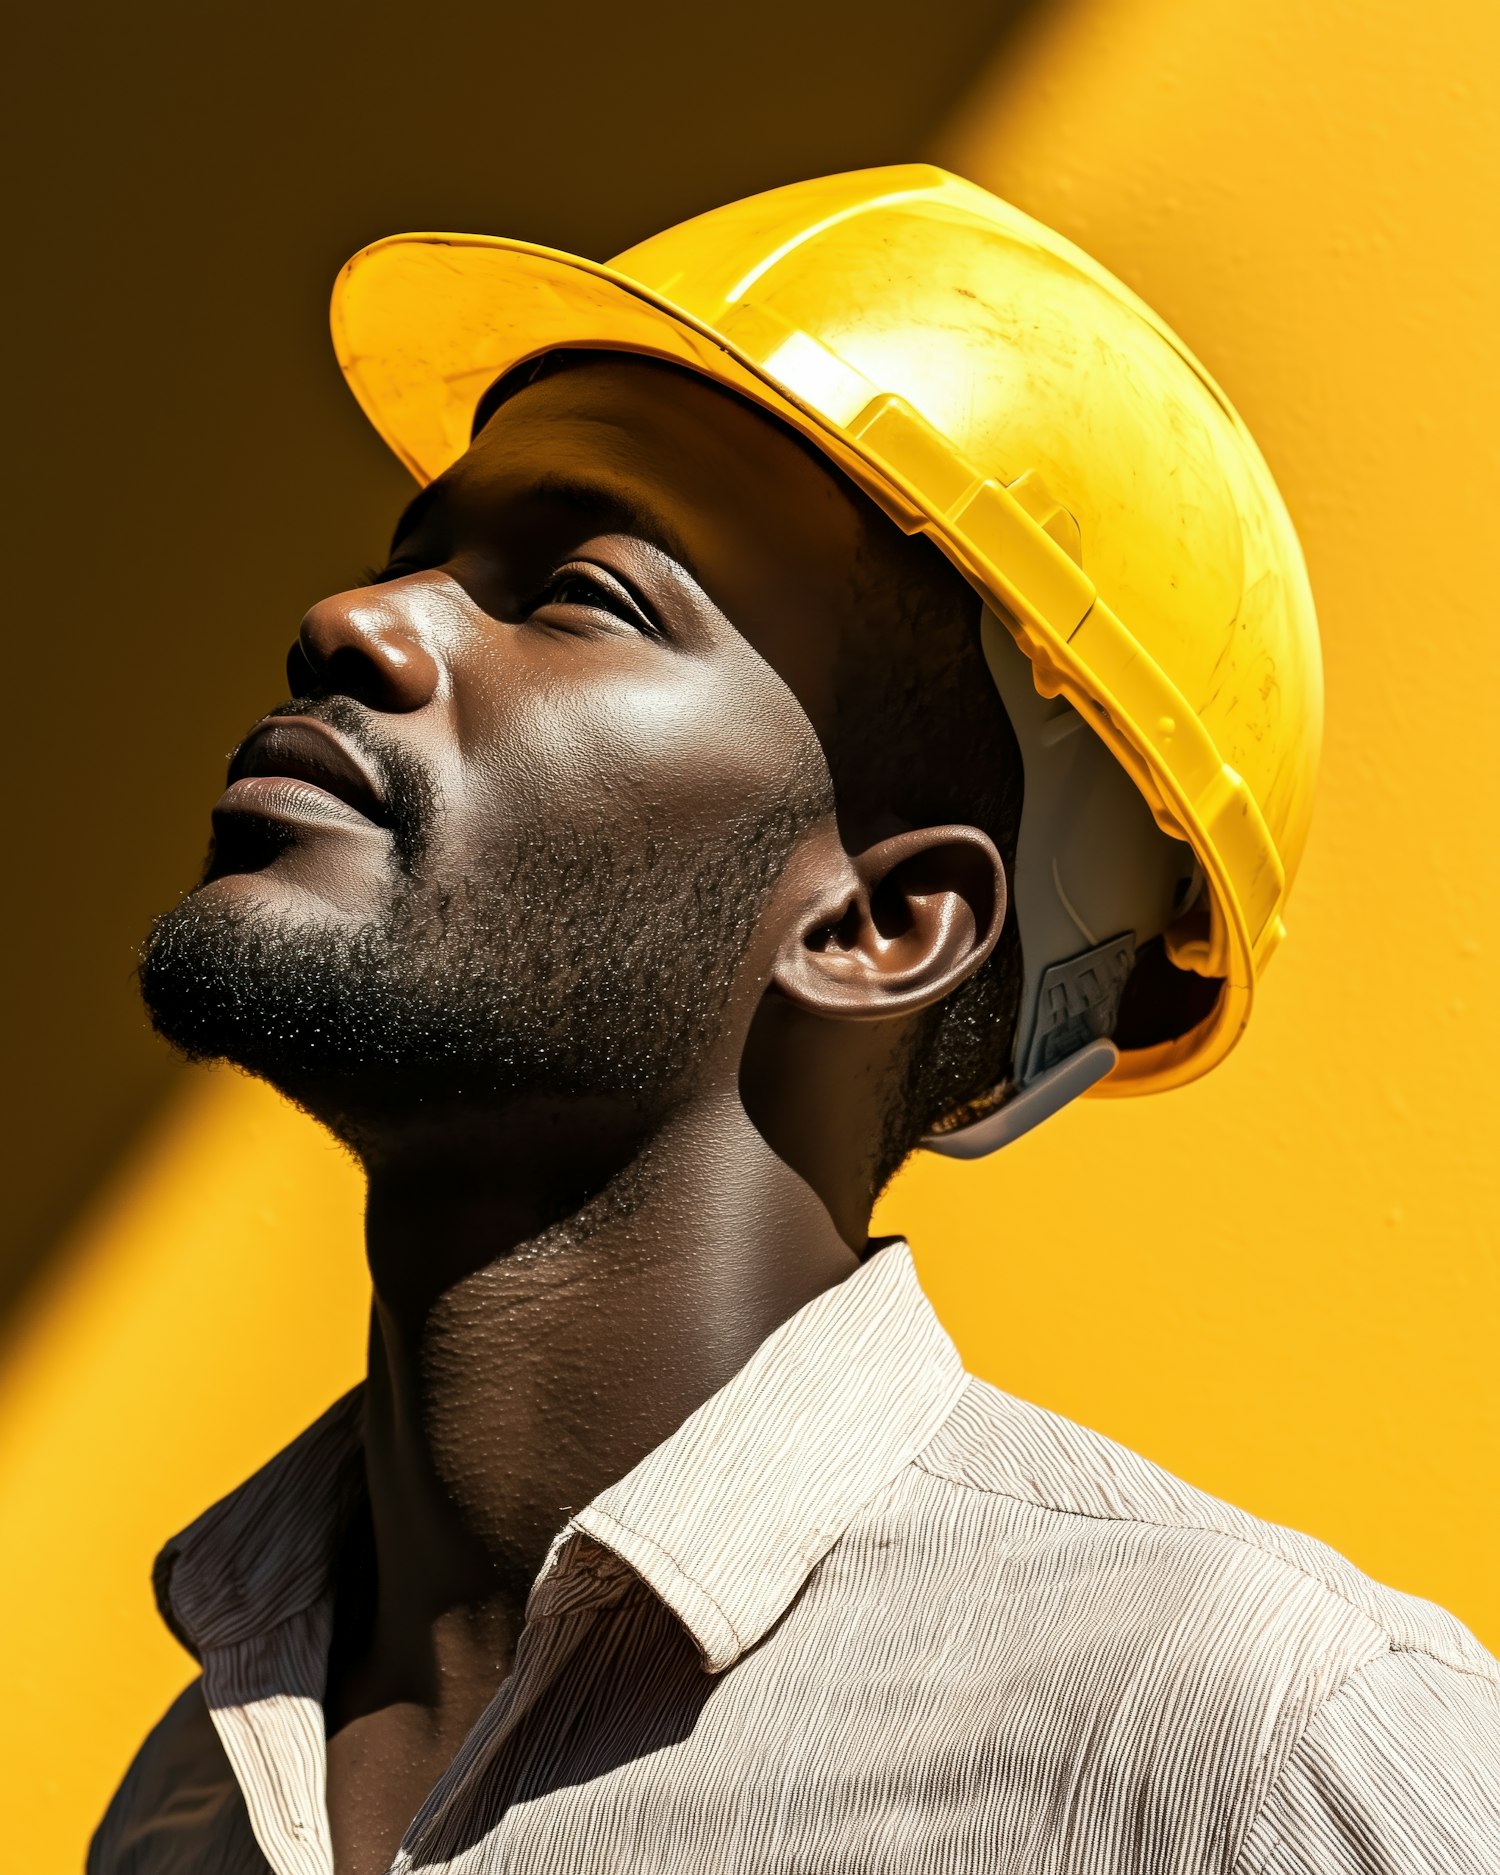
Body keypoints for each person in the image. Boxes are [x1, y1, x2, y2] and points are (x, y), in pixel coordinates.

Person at [90, 167, 1498, 1874]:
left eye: (580, 595)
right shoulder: (199, 1790)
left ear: (881, 925)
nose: (355, 622)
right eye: (417, 558)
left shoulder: (1241, 1748)